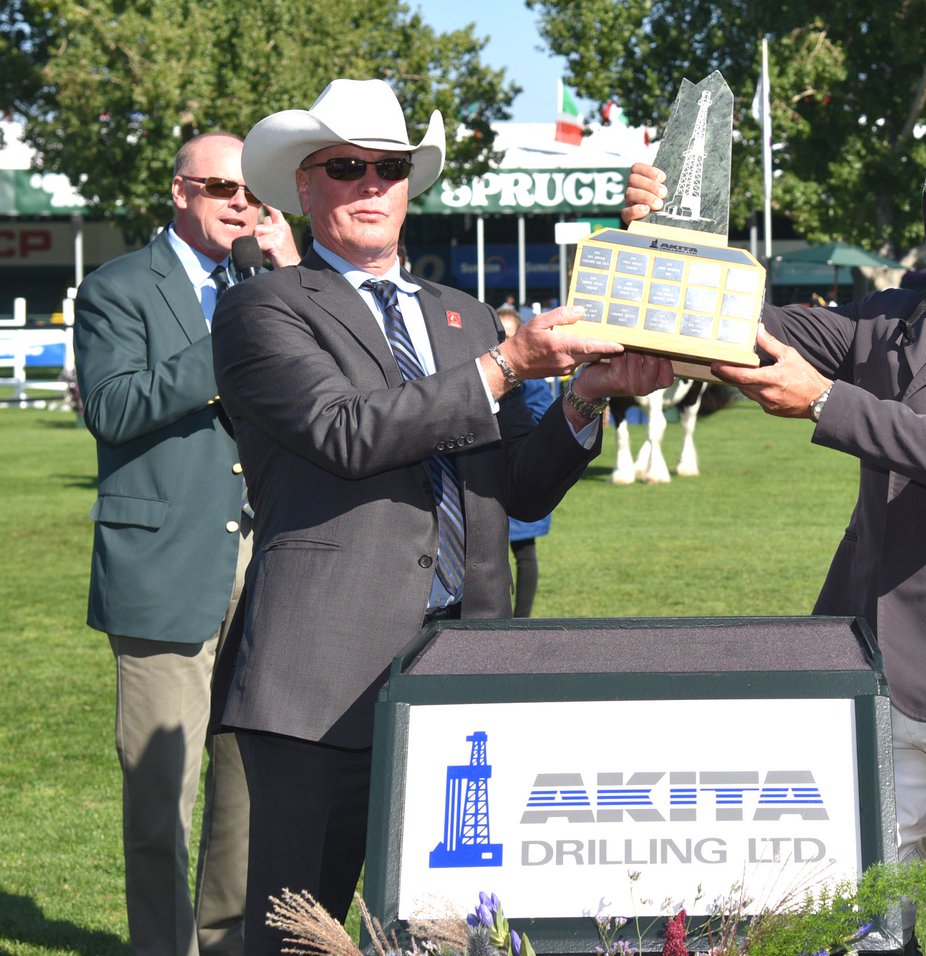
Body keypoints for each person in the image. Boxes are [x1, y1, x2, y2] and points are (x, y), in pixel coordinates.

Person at [209, 78, 673, 954]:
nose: (371, 184)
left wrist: (586, 398)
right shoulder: (263, 306)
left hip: (466, 671)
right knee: (297, 933)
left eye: (390, 167)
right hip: (320, 678)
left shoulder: (461, 317)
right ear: (302, 186)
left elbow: (517, 490)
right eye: (345, 167)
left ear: (410, 185)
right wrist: (506, 366)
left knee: (456, 931)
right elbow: (345, 432)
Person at [626, 121, 926, 956]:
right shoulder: (884, 321)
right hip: (871, 666)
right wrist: (669, 243)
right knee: (864, 921)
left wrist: (823, 401)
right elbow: (737, 324)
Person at [73, 131, 300, 956]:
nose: (241, 206)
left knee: (247, 793)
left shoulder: (272, 285)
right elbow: (113, 408)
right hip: (164, 566)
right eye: (222, 190)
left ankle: (226, 943)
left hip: (271, 562)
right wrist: (228, 346)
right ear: (180, 191)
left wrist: (291, 280)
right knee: (160, 801)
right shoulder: (118, 287)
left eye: (254, 195)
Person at [498, 302, 556, 616]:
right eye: (498, 335)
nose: (504, 341)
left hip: (517, 470)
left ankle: (521, 620)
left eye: (509, 334)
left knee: (524, 552)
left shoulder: (532, 375)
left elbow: (543, 416)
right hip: (487, 477)